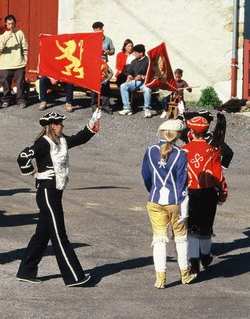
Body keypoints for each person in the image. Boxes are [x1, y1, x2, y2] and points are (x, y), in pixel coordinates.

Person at [16, 109, 102, 287]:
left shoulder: (61, 141)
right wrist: (34, 173)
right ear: (53, 126)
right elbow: (23, 157)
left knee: (42, 235)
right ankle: (74, 276)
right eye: (60, 123)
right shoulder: (42, 143)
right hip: (46, 194)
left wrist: (93, 120)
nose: (63, 125)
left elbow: (80, 138)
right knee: (59, 234)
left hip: (56, 193)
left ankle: (25, 271)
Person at [141, 119, 197, 287]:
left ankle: (160, 279)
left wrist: (153, 190)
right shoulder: (181, 154)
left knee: (159, 239)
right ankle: (185, 274)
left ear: (162, 132)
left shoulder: (150, 151)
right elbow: (182, 182)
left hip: (155, 200)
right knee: (180, 239)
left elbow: (146, 176)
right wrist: (181, 201)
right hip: (175, 202)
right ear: (178, 136)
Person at [181, 116, 228, 275]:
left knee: (192, 229)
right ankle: (206, 257)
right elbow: (219, 176)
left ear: (191, 131)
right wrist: (222, 194)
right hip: (208, 194)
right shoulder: (213, 151)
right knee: (206, 228)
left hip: (190, 193)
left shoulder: (183, 151)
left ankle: (194, 263)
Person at [0, 14, 28, 108]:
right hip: (5, 64)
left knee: (20, 83)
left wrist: (26, 57)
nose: (11, 26)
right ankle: (6, 99)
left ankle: (20, 100)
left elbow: (24, 46)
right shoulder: (1, 34)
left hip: (18, 62)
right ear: (6, 24)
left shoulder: (19, 33)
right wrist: (6, 39)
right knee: (5, 83)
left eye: (13, 24)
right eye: (9, 24)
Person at [118, 44, 152, 118]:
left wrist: (142, 77)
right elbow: (129, 72)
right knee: (123, 86)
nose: (134, 54)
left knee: (147, 90)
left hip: (145, 82)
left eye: (135, 53)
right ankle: (127, 108)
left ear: (141, 53)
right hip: (134, 82)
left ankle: (147, 109)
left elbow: (152, 75)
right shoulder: (134, 61)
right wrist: (129, 76)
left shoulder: (148, 61)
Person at [90, 21, 115, 113]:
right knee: (94, 85)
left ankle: (105, 105)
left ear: (102, 30)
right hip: (94, 64)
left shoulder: (108, 40)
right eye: (95, 30)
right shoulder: (90, 39)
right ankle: (94, 105)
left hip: (103, 64)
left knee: (105, 85)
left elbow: (113, 51)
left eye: (98, 30)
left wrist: (108, 52)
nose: (97, 31)